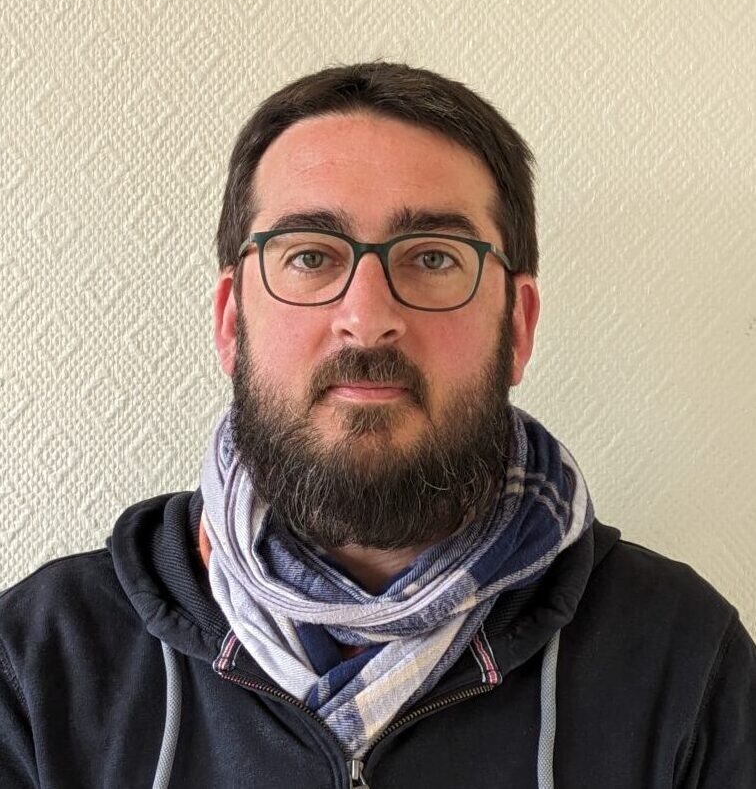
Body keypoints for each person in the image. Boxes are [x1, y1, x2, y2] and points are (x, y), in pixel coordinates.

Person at [1, 62, 754, 789]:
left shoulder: (684, 660)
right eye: (310, 256)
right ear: (231, 323)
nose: (366, 318)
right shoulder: (39, 666)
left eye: (434, 257)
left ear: (518, 326)